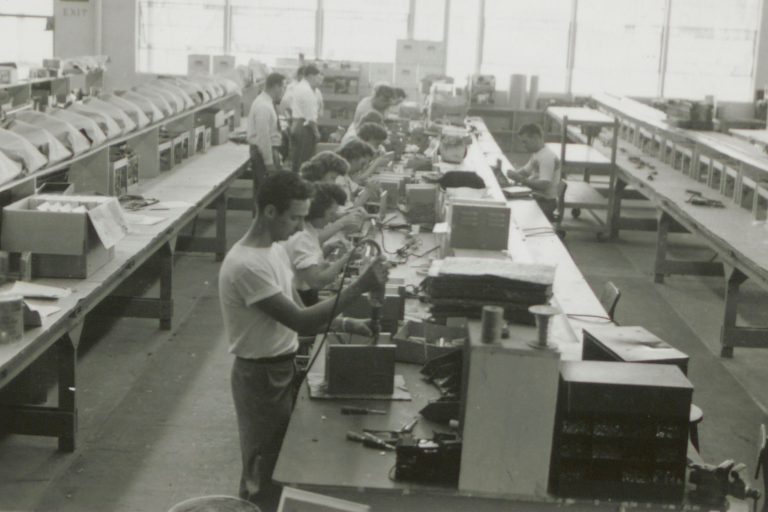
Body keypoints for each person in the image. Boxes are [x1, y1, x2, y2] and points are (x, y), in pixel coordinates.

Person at [219, 171, 388, 510]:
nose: (300, 226)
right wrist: (359, 287)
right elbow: (299, 320)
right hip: (260, 378)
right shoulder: (245, 266)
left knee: (275, 462)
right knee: (262, 473)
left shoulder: (276, 251)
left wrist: (348, 322)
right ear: (269, 212)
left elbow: (297, 309)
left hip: (280, 368)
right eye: (294, 217)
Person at [283, 182, 350, 306]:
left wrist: (326, 250)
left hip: (302, 297)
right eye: (331, 214)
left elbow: (303, 264)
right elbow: (317, 282)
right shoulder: (302, 237)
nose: (334, 218)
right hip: (299, 302)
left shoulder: (310, 230)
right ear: (317, 212)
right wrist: (346, 259)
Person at [506, 123, 562, 221]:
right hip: (538, 196)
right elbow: (525, 171)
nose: (524, 146)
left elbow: (544, 185)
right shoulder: (538, 153)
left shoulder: (547, 157)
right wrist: (511, 174)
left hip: (546, 202)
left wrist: (520, 179)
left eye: (525, 142)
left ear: (536, 138)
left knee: (512, 210)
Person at [246, 72, 286, 192]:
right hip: (264, 154)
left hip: (267, 152)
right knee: (266, 193)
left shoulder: (266, 102)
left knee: (269, 192)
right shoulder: (263, 106)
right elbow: (263, 138)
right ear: (276, 87)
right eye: (283, 87)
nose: (284, 91)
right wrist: (269, 163)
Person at [290, 64, 323, 172]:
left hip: (298, 124)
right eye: (318, 77)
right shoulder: (307, 91)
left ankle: (297, 183)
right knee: (304, 161)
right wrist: (316, 132)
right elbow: (311, 118)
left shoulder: (301, 87)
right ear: (311, 76)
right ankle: (301, 185)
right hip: (304, 127)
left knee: (298, 160)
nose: (319, 80)